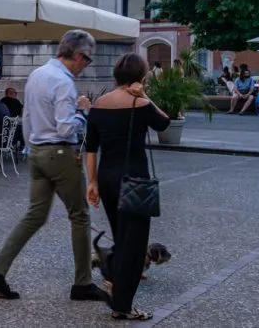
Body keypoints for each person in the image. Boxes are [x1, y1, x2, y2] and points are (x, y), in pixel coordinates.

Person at [0, 29, 106, 303]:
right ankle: (82, 283)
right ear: (78, 55)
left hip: (37, 151)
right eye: (88, 60)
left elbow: (27, 116)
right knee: (80, 215)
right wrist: (83, 112)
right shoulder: (64, 82)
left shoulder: (37, 75)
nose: (87, 65)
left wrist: (30, 147)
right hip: (60, 152)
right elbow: (65, 126)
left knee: (35, 215)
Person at [84, 53, 170, 321]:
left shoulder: (99, 105)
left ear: (115, 77)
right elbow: (164, 123)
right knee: (134, 246)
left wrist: (92, 182)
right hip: (134, 180)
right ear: (141, 78)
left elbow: (90, 148)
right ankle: (122, 305)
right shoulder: (141, 104)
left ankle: (113, 277)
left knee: (122, 238)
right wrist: (145, 95)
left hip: (107, 178)